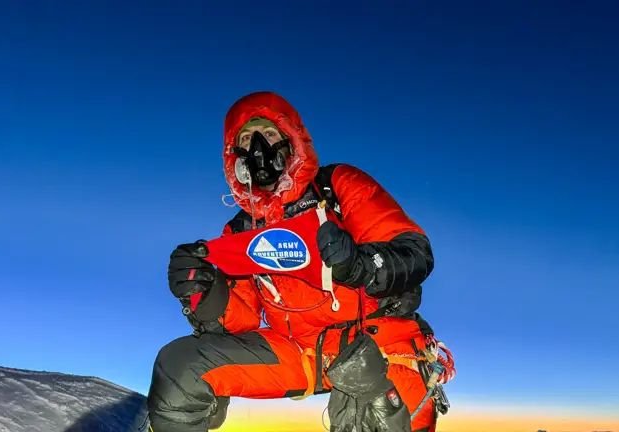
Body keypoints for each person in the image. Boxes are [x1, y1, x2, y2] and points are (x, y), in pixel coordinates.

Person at [146, 91, 452, 432]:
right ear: (234, 158)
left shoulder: (337, 187)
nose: (257, 147)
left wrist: (362, 265)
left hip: (378, 342)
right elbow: (239, 320)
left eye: (269, 133)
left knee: (368, 417)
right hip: (298, 351)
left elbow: (414, 253)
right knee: (181, 368)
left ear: (292, 141)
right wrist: (204, 293)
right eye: (245, 139)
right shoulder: (242, 230)